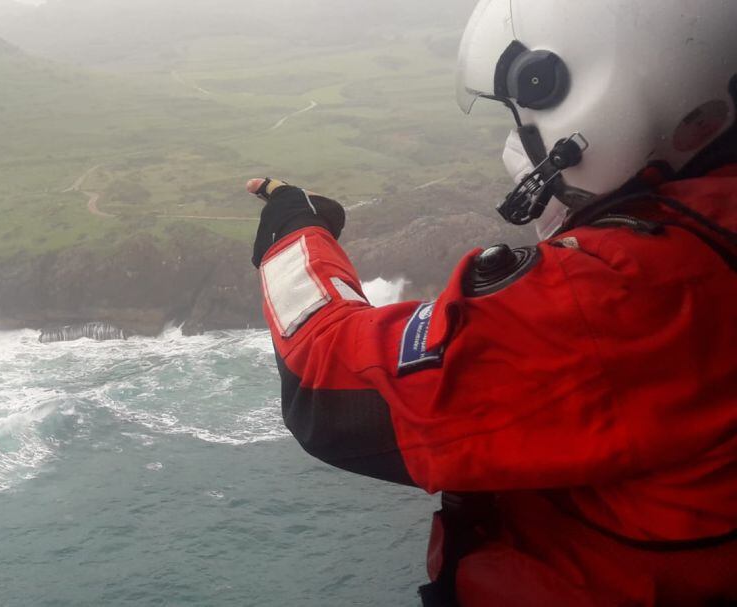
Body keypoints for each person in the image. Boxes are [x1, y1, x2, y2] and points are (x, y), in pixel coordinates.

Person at [244, 1, 737, 605]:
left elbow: (326, 381)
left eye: (523, 115)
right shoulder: (712, 226)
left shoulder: (632, 293)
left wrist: (293, 231)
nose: (516, 143)